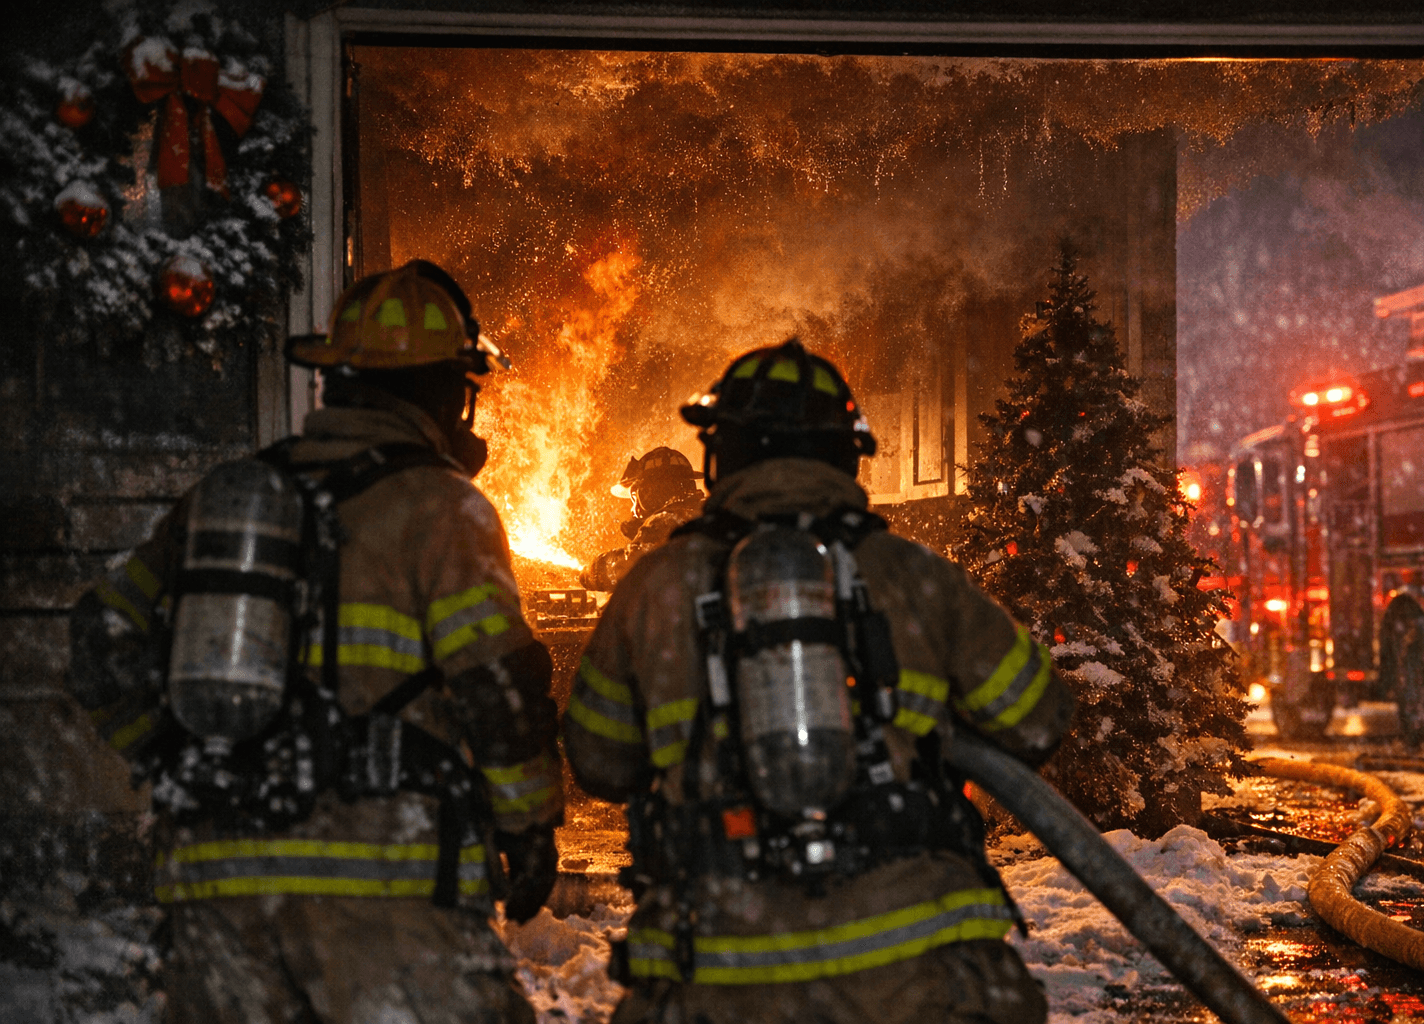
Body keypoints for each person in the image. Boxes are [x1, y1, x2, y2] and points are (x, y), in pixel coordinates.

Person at [69, 261, 562, 1024]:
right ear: (449, 393)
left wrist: (172, 755)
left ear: (335, 383)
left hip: (217, 886)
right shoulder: (442, 508)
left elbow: (102, 636)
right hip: (380, 889)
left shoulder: (229, 496)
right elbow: (500, 693)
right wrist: (529, 829)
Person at [564, 338, 1074, 1024]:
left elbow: (598, 761)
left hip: (717, 977)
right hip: (916, 979)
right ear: (846, 455)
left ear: (722, 457)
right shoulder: (915, 576)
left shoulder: (654, 586)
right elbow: (1039, 719)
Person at [580, 447, 705, 592]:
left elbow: (631, 568)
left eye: (634, 498)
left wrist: (595, 572)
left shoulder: (664, 520)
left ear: (648, 492)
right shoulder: (700, 515)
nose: (633, 509)